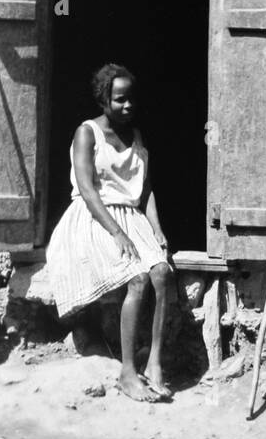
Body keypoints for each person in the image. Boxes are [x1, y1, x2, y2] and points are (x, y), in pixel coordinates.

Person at [47, 64, 172, 402]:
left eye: (131, 99)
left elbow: (145, 189)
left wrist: (157, 228)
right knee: (137, 279)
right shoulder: (87, 132)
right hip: (94, 218)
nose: (127, 106)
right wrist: (116, 232)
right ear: (104, 99)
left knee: (161, 273)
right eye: (119, 100)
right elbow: (87, 190)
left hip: (133, 218)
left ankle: (156, 364)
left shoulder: (136, 135)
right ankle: (128, 373)